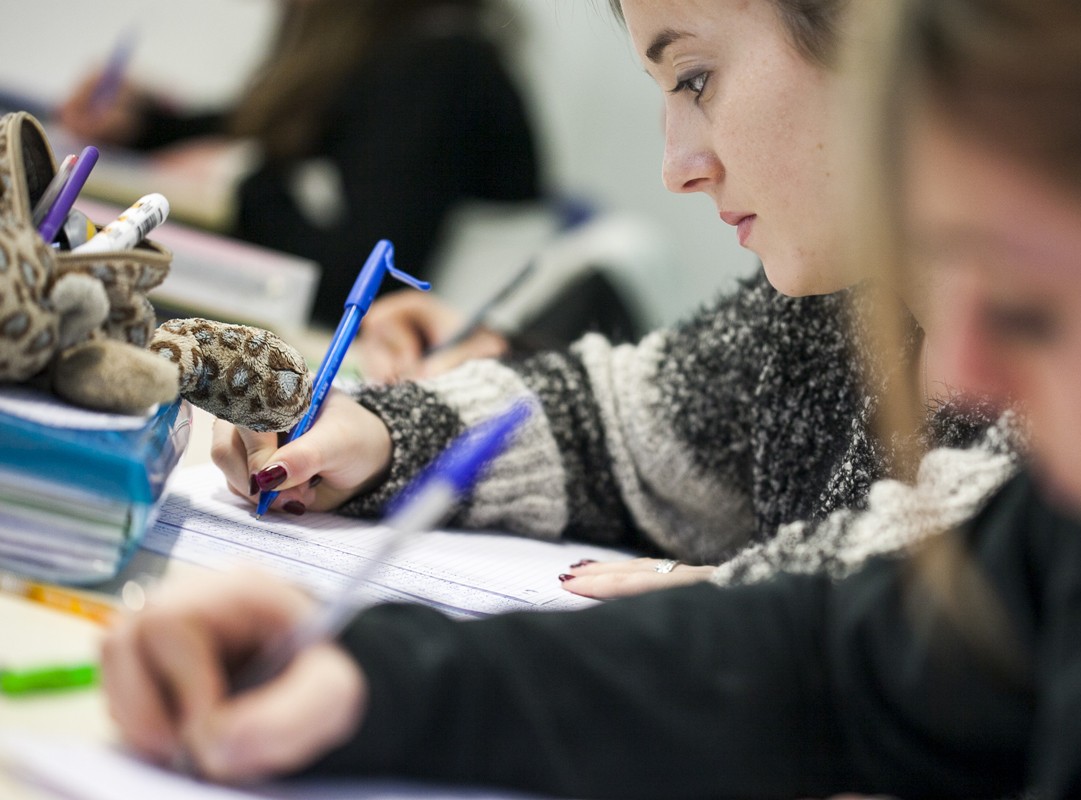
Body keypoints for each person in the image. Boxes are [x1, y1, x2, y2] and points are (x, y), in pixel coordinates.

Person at [101, 0, 1081, 796]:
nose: (960, 372)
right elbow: (842, 658)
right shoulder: (854, 326)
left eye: (1035, 305)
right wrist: (371, 671)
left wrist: (731, 589)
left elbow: (907, 574)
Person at [204, 0, 1018, 608]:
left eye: (696, 79)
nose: (677, 166)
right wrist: (382, 434)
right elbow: (620, 425)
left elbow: (901, 624)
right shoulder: (839, 307)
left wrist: (747, 627)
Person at [57, 0, 542, 327]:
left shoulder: (435, 68)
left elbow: (358, 288)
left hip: (387, 343)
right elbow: (270, 124)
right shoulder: (401, 44)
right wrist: (141, 123)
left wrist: (244, 180)